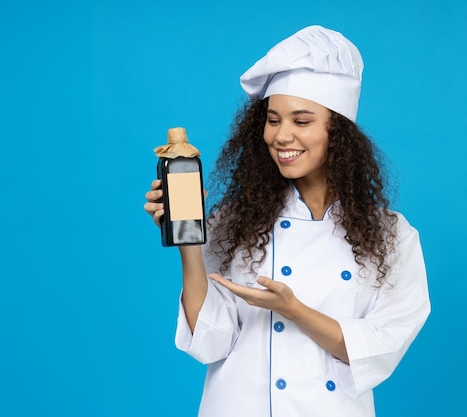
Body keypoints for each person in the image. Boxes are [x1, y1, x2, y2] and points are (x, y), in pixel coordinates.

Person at [143, 25, 430, 417]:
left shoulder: (391, 235)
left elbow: (380, 348)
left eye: (302, 120)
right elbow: (210, 342)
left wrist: (293, 310)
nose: (282, 136)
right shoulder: (237, 221)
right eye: (273, 119)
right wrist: (190, 242)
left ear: (338, 131)